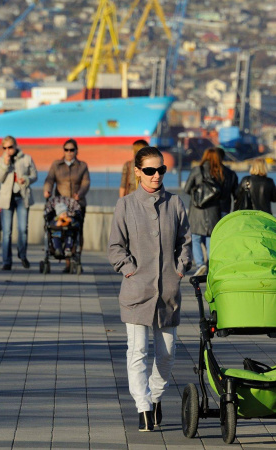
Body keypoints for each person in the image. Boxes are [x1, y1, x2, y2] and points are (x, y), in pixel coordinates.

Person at [108, 146, 191, 432]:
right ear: (137, 172)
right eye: (150, 170)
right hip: (136, 290)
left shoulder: (175, 203)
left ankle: (156, 397)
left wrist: (181, 267)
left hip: (168, 290)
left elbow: (186, 241)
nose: (156, 176)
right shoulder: (126, 205)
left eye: (161, 170)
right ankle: (142, 406)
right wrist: (129, 269)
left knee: (167, 353)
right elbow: (115, 246)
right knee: (138, 350)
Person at [183, 147, 238, 276]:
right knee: (212, 239)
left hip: (198, 210)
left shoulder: (198, 170)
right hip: (222, 210)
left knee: (195, 237)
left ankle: (201, 264)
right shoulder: (229, 173)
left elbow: (186, 189)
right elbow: (236, 194)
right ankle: (212, 265)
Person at [43, 138, 90, 272]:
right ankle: (63, 257)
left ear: (76, 151)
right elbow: (50, 179)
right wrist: (47, 190)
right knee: (60, 229)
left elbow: (86, 182)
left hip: (77, 204)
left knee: (76, 230)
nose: (69, 152)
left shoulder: (82, 166)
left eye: (72, 150)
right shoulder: (56, 165)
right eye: (66, 150)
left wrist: (79, 194)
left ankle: (74, 258)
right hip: (60, 206)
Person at [0, 136, 37, 271]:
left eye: (10, 147)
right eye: (5, 148)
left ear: (16, 145)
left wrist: (27, 179)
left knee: (23, 229)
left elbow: (34, 175)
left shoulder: (26, 158)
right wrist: (5, 165)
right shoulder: (0, 161)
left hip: (22, 197)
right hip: (6, 199)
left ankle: (22, 254)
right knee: (6, 232)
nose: (8, 150)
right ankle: (7, 261)